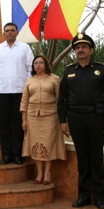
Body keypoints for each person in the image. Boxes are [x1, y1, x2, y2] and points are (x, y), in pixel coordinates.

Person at [57, 33, 104, 209]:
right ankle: (83, 196)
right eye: (77, 47)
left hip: (96, 118)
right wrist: (62, 121)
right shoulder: (69, 71)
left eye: (84, 47)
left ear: (91, 50)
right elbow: (62, 99)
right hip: (76, 119)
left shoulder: (100, 70)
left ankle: (100, 198)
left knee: (96, 157)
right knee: (82, 158)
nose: (80, 50)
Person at [0, 22, 34, 164]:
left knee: (19, 124)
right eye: (7, 31)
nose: (10, 33)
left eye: (12, 30)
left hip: (20, 92)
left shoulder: (25, 48)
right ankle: (6, 154)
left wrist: (27, 88)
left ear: (17, 32)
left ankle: (17, 154)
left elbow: (30, 69)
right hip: (1, 92)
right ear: (3, 33)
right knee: (4, 124)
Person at [20, 55, 67, 184]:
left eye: (41, 62)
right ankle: (39, 172)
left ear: (46, 64)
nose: (38, 65)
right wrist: (24, 119)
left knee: (48, 143)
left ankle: (47, 172)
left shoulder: (55, 79)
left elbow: (60, 99)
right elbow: (24, 101)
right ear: (33, 66)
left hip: (50, 116)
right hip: (32, 117)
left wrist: (62, 118)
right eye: (36, 63)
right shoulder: (29, 81)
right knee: (36, 144)